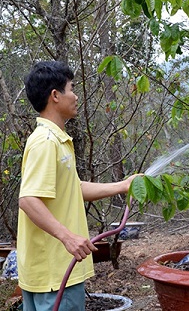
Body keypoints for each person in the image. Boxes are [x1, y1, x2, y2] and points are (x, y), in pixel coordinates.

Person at [18, 60, 139, 311]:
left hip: (53, 271)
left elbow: (73, 189)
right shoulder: (46, 141)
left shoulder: (57, 140)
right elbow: (28, 199)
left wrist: (122, 186)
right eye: (71, 89)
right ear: (55, 96)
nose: (75, 96)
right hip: (55, 271)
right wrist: (68, 237)